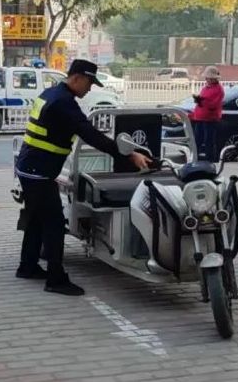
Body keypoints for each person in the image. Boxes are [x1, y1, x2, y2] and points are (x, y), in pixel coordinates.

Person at [15, 59, 152, 296]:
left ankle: (27, 267)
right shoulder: (63, 103)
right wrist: (129, 156)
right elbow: (91, 135)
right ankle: (56, 279)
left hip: (31, 168)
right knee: (54, 223)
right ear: (76, 78)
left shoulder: (51, 93)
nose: (90, 88)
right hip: (38, 172)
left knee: (37, 218)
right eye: (89, 83)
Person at [191, 65, 225, 162]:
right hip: (200, 117)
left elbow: (214, 105)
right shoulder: (205, 88)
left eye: (209, 78)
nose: (207, 79)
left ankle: (210, 160)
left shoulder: (218, 89)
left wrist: (202, 101)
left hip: (210, 119)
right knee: (197, 140)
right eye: (207, 78)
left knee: (208, 141)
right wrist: (199, 100)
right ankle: (195, 158)